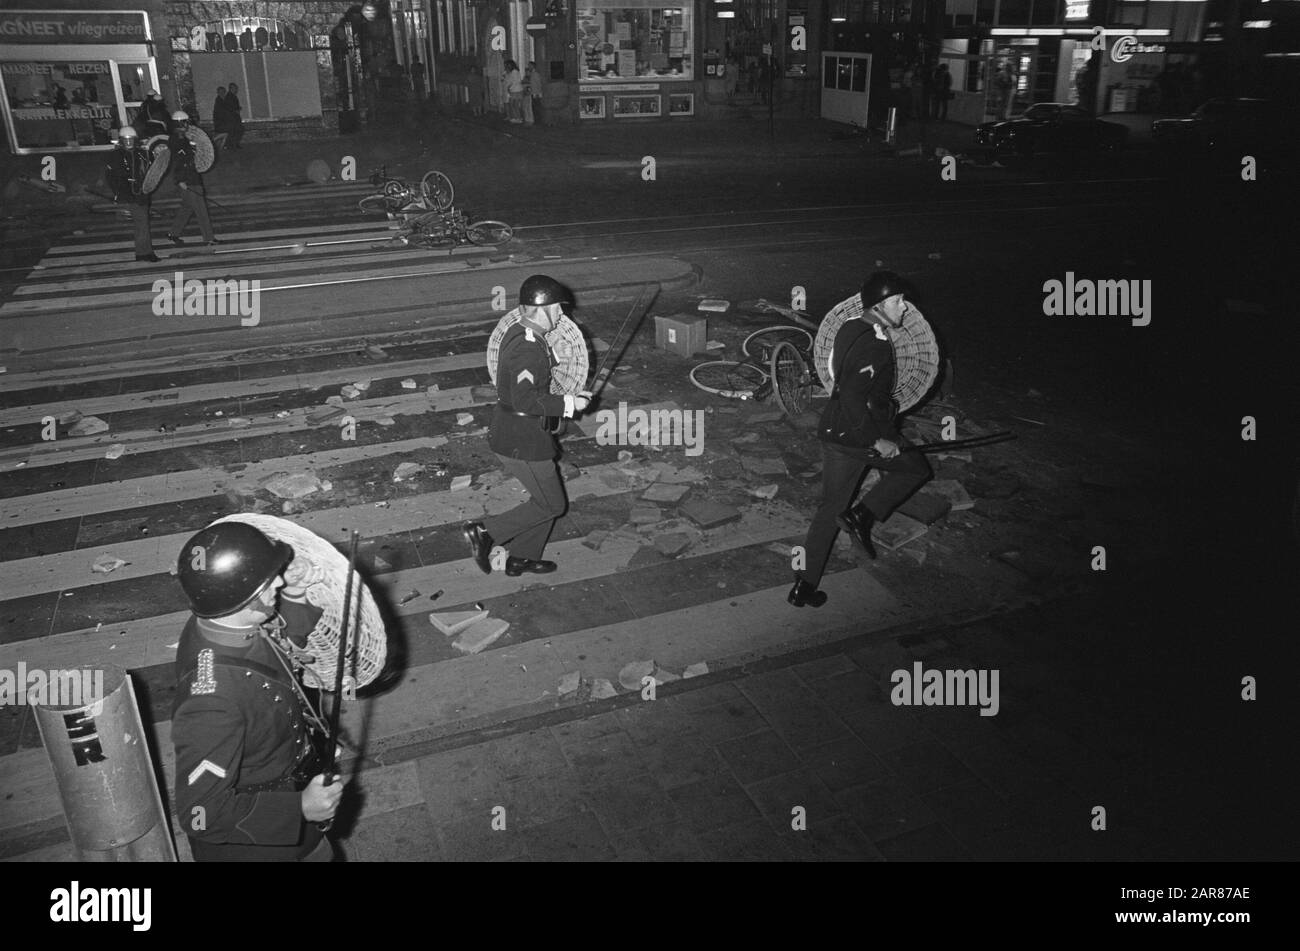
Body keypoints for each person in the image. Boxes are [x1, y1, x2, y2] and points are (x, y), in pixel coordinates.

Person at [172, 521, 345, 861]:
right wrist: (300, 809)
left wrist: (293, 593)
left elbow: (280, 639)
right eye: (269, 581)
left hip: (294, 802)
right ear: (240, 596)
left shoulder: (223, 622)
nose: (279, 581)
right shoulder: (210, 704)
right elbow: (199, 815)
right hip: (257, 847)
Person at [789, 271, 933, 608]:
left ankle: (803, 587)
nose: (905, 307)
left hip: (834, 431)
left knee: (829, 510)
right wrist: (878, 440)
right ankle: (862, 516)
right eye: (899, 301)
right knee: (914, 469)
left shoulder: (851, 328)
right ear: (882, 305)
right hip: (859, 435)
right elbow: (855, 396)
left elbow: (844, 384)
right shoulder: (875, 344)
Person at [462, 276, 592, 577]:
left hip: (517, 434)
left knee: (542, 500)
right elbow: (525, 401)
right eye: (558, 309)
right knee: (553, 505)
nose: (561, 315)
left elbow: (529, 376)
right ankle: (484, 531)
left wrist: (565, 389)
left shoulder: (520, 332)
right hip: (523, 441)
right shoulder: (529, 349)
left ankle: (522, 557)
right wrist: (571, 404)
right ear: (543, 309)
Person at [165, 110, 219, 247]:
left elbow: (191, 158)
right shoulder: (176, 140)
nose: (186, 125)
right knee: (201, 209)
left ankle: (173, 233)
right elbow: (177, 161)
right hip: (186, 179)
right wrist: (180, 180)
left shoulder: (185, 139)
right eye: (184, 123)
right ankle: (209, 238)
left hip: (192, 175)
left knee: (187, 208)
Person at [105, 127, 158, 263]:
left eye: (131, 140)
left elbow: (152, 172)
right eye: (126, 140)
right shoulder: (116, 155)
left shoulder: (144, 154)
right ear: (122, 141)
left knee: (142, 222)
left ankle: (142, 253)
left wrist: (148, 185)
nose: (129, 142)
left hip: (143, 191)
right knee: (142, 222)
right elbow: (112, 176)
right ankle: (145, 253)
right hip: (130, 192)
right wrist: (118, 192)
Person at [223, 82, 245, 149]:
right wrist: (237, 109)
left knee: (236, 131)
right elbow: (230, 108)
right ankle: (230, 145)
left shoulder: (232, 96)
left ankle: (233, 144)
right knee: (235, 131)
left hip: (233, 117)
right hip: (232, 117)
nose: (236, 90)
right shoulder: (230, 97)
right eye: (235, 88)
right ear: (231, 88)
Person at [504, 59, 524, 123]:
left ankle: (518, 117)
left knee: (514, 104)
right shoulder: (512, 72)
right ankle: (516, 117)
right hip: (514, 90)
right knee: (514, 104)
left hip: (516, 90)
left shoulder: (514, 72)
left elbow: (516, 81)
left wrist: (510, 87)